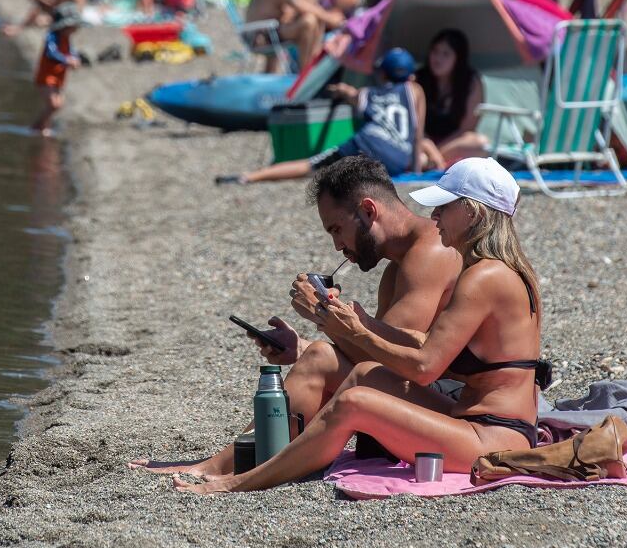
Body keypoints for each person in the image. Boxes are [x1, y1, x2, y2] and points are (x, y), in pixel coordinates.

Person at [174, 157, 545, 494]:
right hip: (476, 421)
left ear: (473, 212)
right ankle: (247, 463)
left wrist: (345, 328)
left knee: (354, 401)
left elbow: (423, 366)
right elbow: (421, 344)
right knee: (360, 374)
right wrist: (348, 328)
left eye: (443, 207)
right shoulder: (495, 270)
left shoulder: (483, 276)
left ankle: (239, 481)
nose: (434, 217)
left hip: (492, 438)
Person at [132, 155, 462, 478]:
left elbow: (396, 366)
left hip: (452, 413)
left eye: (337, 229)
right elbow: (377, 354)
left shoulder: (428, 255)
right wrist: (301, 347)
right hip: (429, 397)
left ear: (368, 210)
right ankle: (243, 460)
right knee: (317, 354)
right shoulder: (399, 266)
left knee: (320, 357)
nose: (337, 246)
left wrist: (323, 313)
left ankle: (228, 465)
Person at [217, 48, 423, 185]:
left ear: (383, 74)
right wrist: (414, 172)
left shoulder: (367, 93)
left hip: (368, 143)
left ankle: (249, 177)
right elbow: (417, 133)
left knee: (311, 166)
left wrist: (339, 89)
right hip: (398, 159)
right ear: (411, 75)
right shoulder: (415, 90)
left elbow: (350, 93)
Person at [415, 29, 489, 169]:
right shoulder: (417, 80)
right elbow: (415, 126)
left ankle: (436, 162)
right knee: (420, 158)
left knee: (480, 143)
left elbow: (467, 128)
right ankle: (436, 163)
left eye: (445, 54)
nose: (438, 58)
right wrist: (429, 148)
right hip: (423, 142)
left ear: (458, 58)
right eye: (435, 51)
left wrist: (437, 153)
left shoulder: (471, 83)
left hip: (454, 144)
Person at [32, 3, 82, 136]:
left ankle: (39, 125)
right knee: (54, 104)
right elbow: (51, 53)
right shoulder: (52, 37)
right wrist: (67, 60)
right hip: (46, 77)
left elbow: (72, 51)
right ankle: (43, 127)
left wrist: (75, 58)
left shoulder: (66, 38)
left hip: (58, 77)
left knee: (58, 104)